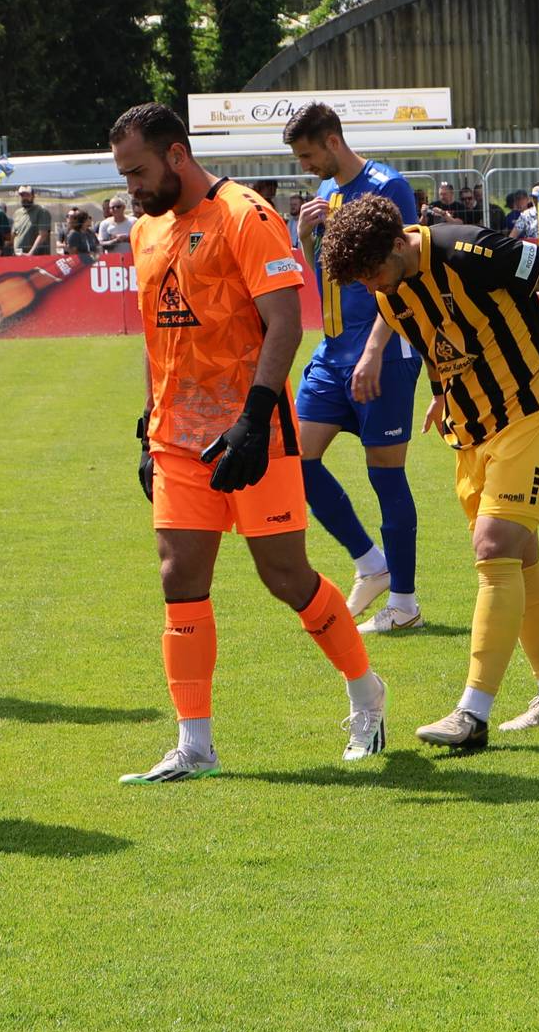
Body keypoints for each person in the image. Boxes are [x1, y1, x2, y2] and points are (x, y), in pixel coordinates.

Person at [108, 103, 385, 783]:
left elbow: (286, 322)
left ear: (177, 155)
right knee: (180, 577)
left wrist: (256, 419)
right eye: (123, 175)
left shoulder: (246, 215)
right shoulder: (146, 231)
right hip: (178, 438)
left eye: (138, 172)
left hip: (253, 431)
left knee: (285, 576)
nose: (131, 189)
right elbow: (156, 339)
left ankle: (366, 694)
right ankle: (195, 744)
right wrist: (149, 427)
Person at [322, 197, 539, 749]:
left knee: (494, 548)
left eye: (374, 271)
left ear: (400, 243)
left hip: (531, 410)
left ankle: (472, 714)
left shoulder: (468, 249)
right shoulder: (388, 286)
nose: (373, 285)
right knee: (522, 558)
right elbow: (433, 338)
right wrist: (443, 391)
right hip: (470, 429)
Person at [281, 102, 428, 636]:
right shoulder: (324, 196)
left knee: (384, 473)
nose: (304, 166)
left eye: (307, 155)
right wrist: (303, 237)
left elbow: (407, 276)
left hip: (383, 351)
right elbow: (328, 277)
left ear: (333, 141)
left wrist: (372, 350)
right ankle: (371, 563)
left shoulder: (388, 187)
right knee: (294, 458)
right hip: (332, 350)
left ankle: (405, 602)